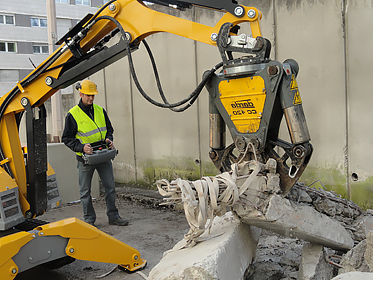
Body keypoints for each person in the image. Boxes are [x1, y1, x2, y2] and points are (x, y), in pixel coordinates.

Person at [62, 79, 128, 226]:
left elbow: (109, 129)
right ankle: (89, 221)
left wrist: (109, 139)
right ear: (81, 94)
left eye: (93, 95)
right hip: (86, 159)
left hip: (103, 154)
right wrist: (81, 148)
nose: (91, 98)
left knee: (110, 187)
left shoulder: (100, 110)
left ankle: (113, 216)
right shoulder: (73, 115)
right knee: (85, 192)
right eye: (88, 95)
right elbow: (66, 138)